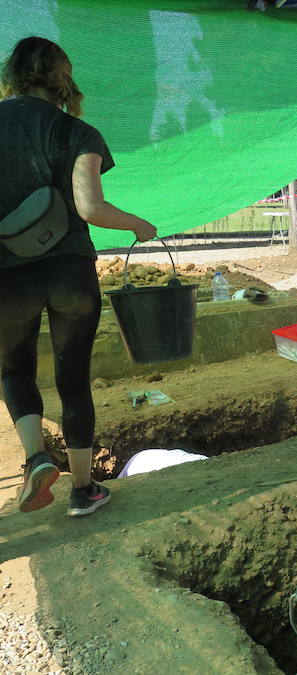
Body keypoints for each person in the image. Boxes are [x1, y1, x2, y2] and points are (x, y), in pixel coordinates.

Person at [1, 37, 157, 517]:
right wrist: (137, 224)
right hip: (70, 269)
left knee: (14, 368)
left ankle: (35, 459)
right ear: (62, 79)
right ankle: (83, 491)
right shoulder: (77, 132)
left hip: (8, 274)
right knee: (73, 378)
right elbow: (89, 207)